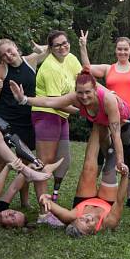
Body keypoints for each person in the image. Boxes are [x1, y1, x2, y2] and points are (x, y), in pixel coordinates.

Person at [79, 31, 130, 207]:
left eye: (125, 49)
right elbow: (87, 67)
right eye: (119, 49)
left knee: (128, 153)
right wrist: (83, 46)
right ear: (115, 50)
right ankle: (97, 191)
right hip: (108, 116)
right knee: (105, 153)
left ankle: (129, 197)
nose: (122, 52)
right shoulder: (108, 69)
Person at [10, 69, 130, 174]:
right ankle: (109, 174)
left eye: (88, 92)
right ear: (75, 90)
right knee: (108, 155)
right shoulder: (75, 97)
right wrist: (24, 99)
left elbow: (116, 135)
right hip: (100, 122)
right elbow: (50, 102)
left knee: (126, 148)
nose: (84, 97)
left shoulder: (107, 100)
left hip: (123, 120)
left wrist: (120, 160)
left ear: (95, 89)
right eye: (80, 92)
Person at [36, 116, 130, 237]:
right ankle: (119, 130)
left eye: (82, 220)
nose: (87, 218)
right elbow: (119, 201)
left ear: (75, 219)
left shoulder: (71, 216)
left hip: (85, 201)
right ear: (92, 232)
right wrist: (125, 175)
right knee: (108, 170)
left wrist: (44, 199)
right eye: (88, 224)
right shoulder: (109, 222)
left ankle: (98, 123)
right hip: (108, 202)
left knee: (88, 168)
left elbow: (48, 204)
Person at [0, 38, 49, 206]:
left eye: (10, 50)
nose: (8, 55)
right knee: (0, 161)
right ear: (1, 58)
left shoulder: (31, 60)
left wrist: (39, 47)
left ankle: (24, 202)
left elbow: (53, 47)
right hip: (5, 120)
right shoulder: (1, 70)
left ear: (16, 48)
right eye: (4, 54)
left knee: (25, 161)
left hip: (27, 118)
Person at [31, 30, 82, 225]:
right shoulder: (49, 67)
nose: (63, 47)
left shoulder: (71, 59)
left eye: (65, 43)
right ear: (51, 49)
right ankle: (44, 213)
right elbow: (54, 102)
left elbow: (83, 79)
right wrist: (82, 111)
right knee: (44, 164)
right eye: (58, 45)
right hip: (46, 114)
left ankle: (52, 202)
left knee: (64, 161)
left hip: (62, 116)